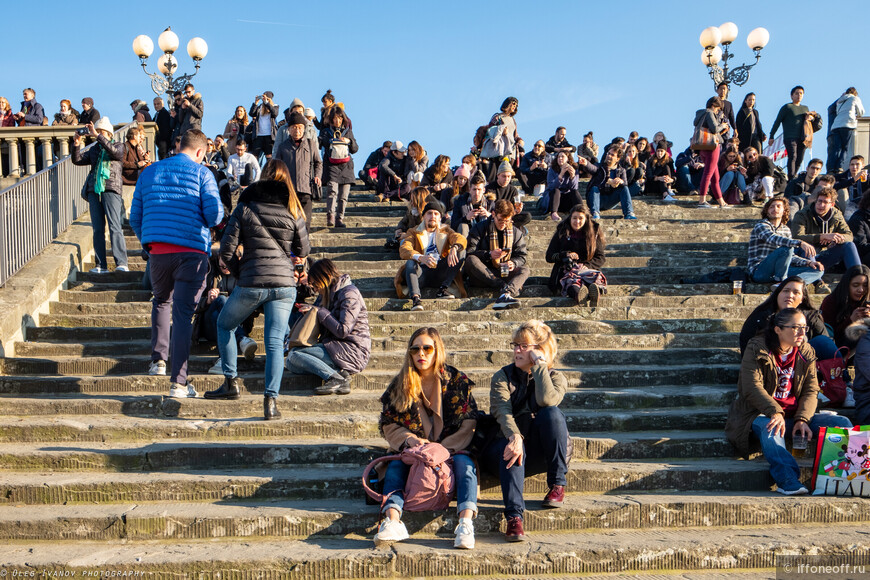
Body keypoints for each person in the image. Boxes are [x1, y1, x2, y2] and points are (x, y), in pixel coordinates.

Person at [209, 160, 309, 420]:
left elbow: (227, 251)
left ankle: (231, 383)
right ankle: (271, 403)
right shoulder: (293, 209)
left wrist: (240, 271)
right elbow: (303, 251)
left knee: (224, 324)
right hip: (285, 284)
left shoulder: (245, 206)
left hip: (252, 281)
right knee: (275, 343)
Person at [130, 129, 223, 398]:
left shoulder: (149, 172)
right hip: (192, 251)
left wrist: (150, 241)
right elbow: (215, 215)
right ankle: (178, 383)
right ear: (200, 152)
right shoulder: (202, 173)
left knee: (161, 300)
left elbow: (136, 216)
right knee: (183, 314)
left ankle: (158, 360)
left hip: (158, 251)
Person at [728, 307, 853, 495]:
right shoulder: (757, 347)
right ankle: (787, 480)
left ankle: (841, 476)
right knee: (772, 428)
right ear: (778, 329)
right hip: (758, 413)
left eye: (804, 327)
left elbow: (811, 390)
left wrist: (803, 419)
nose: (802, 332)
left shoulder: (806, 350)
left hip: (794, 414)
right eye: (795, 327)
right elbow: (751, 387)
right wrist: (775, 412)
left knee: (841, 423)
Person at [373, 328, 479, 549]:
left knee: (466, 466)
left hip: (452, 449)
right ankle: (392, 520)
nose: (421, 353)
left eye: (427, 348)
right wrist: (410, 439)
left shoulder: (457, 381)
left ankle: (465, 524)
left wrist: (442, 449)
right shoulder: (399, 384)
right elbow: (388, 422)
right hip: (413, 452)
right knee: (394, 468)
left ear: (436, 350)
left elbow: (469, 422)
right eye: (415, 349)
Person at [481, 320, 569, 541]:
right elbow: (502, 411)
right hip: (502, 447)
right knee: (511, 449)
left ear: (540, 350)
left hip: (540, 452)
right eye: (515, 344)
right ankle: (514, 517)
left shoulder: (556, 378)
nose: (516, 350)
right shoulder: (502, 376)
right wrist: (515, 437)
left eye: (524, 345)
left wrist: (539, 366)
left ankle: (557, 484)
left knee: (553, 414)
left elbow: (547, 400)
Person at [285, 258, 371, 396]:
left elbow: (343, 330)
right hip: (335, 347)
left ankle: (335, 379)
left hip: (353, 350)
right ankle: (340, 372)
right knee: (291, 362)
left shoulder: (349, 293)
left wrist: (319, 312)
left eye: (314, 283)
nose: (314, 288)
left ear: (324, 278)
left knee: (294, 356)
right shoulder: (326, 294)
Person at [72, 117, 128, 274]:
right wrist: (76, 144)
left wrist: (98, 136)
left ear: (108, 133)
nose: (95, 134)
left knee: (114, 225)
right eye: (96, 131)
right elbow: (77, 160)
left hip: (111, 189)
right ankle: (101, 265)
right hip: (94, 191)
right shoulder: (94, 149)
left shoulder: (118, 145)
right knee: (97, 229)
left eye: (101, 132)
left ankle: (121, 263)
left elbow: (115, 153)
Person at [738, 275, 835, 355]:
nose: (790, 295)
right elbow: (747, 345)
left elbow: (826, 344)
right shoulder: (761, 316)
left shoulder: (811, 317)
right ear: (777, 294)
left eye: (796, 292)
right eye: (785, 291)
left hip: (804, 365)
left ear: (802, 298)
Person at [399, 200, 466, 310]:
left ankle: (443, 289)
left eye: (436, 214)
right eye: (429, 213)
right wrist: (421, 257)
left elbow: (460, 238)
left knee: (461, 251)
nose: (432, 216)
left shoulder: (446, 230)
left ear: (440, 218)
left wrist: (454, 247)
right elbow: (404, 249)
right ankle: (415, 299)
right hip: (421, 272)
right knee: (410, 261)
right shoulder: (413, 231)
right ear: (424, 216)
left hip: (440, 272)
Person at [463, 200, 529, 309]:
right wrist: (488, 255)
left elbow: (522, 256)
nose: (503, 223)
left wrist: (513, 263)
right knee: (471, 260)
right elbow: (469, 252)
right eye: (500, 220)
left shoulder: (516, 232)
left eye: (507, 221)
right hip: (482, 274)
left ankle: (507, 293)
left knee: (525, 270)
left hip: (504, 271)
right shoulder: (480, 228)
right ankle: (502, 287)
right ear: (493, 214)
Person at [790, 187, 860, 289]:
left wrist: (837, 239)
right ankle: (818, 283)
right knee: (806, 246)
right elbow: (796, 237)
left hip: (825, 255)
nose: (821, 205)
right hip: (806, 257)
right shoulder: (802, 214)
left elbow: (849, 235)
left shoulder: (836, 214)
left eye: (825, 202)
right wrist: (821, 237)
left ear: (832, 204)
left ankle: (857, 279)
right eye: (819, 201)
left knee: (849, 245)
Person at [747, 197, 823, 286]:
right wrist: (800, 243)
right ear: (767, 211)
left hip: (779, 271)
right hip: (760, 271)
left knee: (818, 270)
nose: (775, 209)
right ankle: (782, 282)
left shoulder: (786, 229)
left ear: (784, 211)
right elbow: (772, 238)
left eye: (779, 206)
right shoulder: (761, 226)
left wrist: (808, 262)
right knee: (786, 248)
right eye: (771, 207)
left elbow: (791, 256)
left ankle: (787, 285)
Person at [545, 202, 605, 306]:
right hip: (567, 270)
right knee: (572, 283)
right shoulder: (562, 231)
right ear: (570, 218)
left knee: (595, 280)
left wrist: (586, 266)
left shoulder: (593, 233)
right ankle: (580, 296)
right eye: (574, 218)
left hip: (587, 269)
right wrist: (565, 255)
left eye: (580, 218)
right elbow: (549, 256)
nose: (577, 221)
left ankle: (594, 293)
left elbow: (600, 257)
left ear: (586, 219)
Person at [274, 112, 323, 227]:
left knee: (305, 224)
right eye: (294, 127)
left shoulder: (310, 144)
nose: (297, 130)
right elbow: (277, 167)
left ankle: (304, 245)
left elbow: (318, 163)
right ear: (289, 130)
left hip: (306, 190)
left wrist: (317, 176)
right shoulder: (283, 147)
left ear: (304, 129)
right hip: (288, 191)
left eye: (300, 127)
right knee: (289, 224)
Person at [319, 107, 358, 228]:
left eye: (340, 118)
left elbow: (355, 149)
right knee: (332, 191)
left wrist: (349, 141)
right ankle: (330, 215)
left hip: (346, 167)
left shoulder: (348, 131)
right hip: (331, 166)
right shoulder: (326, 131)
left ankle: (339, 218)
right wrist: (330, 140)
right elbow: (320, 144)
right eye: (335, 118)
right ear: (331, 119)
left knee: (343, 196)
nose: (337, 120)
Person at [769, 86, 817, 181]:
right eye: (796, 93)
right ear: (791, 96)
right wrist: (771, 135)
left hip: (803, 137)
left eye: (801, 93)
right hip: (790, 136)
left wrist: (812, 118)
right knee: (793, 156)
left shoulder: (805, 108)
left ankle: (794, 176)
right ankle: (791, 177)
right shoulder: (787, 107)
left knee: (800, 158)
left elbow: (810, 123)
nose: (799, 95)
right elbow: (777, 121)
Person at [820, 265, 870, 351]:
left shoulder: (867, 301)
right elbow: (827, 336)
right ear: (847, 285)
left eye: (865, 285)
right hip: (837, 348)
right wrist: (851, 321)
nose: (861, 290)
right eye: (855, 285)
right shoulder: (830, 301)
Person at [693, 97, 729, 208]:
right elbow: (714, 129)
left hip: (702, 147)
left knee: (715, 177)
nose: (718, 111)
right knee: (708, 174)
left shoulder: (700, 115)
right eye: (718, 109)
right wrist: (723, 125)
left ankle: (722, 202)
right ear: (714, 105)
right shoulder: (709, 113)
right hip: (712, 146)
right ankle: (702, 200)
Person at [581, 147, 636, 219]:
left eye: (612, 155)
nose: (609, 156)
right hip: (596, 199)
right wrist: (586, 163)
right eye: (608, 153)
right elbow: (592, 168)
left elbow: (625, 184)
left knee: (625, 188)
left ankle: (629, 213)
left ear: (618, 159)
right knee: (594, 188)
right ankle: (595, 213)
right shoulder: (599, 166)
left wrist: (621, 182)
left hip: (610, 201)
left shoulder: (621, 170)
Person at [480, 97, 521, 183]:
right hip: (499, 148)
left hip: (510, 149)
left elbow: (515, 134)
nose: (514, 106)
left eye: (516, 105)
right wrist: (501, 130)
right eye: (513, 103)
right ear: (507, 104)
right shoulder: (497, 117)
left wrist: (519, 139)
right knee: (494, 171)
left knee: (506, 170)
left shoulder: (513, 120)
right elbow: (490, 130)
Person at [828, 88, 865, 174]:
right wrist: (856, 114)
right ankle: (839, 167)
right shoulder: (855, 98)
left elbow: (837, 112)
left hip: (836, 125)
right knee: (845, 147)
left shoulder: (840, 101)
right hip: (848, 124)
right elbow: (861, 111)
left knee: (837, 148)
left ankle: (832, 168)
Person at [451, 173, 494, 238]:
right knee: (463, 226)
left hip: (485, 236)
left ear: (483, 190)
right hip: (467, 235)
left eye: (479, 189)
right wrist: (466, 218)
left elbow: (498, 220)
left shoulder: (490, 204)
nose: (476, 193)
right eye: (474, 189)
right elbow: (453, 225)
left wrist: (488, 215)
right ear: (470, 189)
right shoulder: (460, 202)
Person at [545, 151, 580, 221]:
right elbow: (551, 186)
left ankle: (582, 212)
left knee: (574, 192)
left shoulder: (574, 169)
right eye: (558, 157)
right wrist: (560, 175)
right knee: (556, 190)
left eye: (562, 157)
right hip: (553, 200)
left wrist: (572, 177)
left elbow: (574, 187)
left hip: (567, 200)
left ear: (568, 159)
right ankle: (553, 213)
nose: (560, 158)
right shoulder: (552, 170)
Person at [834, 155, 869, 220]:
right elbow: (836, 187)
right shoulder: (840, 177)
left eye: (857, 164)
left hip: (862, 206)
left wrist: (865, 182)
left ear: (863, 166)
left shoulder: (867, 178)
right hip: (845, 205)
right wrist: (854, 180)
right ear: (849, 166)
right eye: (852, 164)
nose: (854, 167)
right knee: (842, 190)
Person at [249, 91, 278, 165]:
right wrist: (256, 103)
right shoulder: (260, 107)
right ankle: (255, 175)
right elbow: (251, 113)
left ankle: (269, 174)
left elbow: (274, 113)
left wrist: (266, 103)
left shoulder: (274, 106)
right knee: (254, 157)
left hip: (269, 136)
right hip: (258, 135)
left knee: (269, 157)